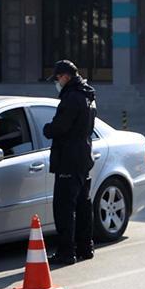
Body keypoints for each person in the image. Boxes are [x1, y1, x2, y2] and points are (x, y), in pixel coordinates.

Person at [43, 60, 97, 265]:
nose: (57, 82)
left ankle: (66, 252)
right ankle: (86, 247)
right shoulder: (88, 95)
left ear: (65, 76)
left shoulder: (72, 97)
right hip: (84, 157)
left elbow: (61, 127)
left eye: (57, 78)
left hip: (68, 159)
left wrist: (47, 129)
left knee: (64, 207)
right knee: (83, 205)